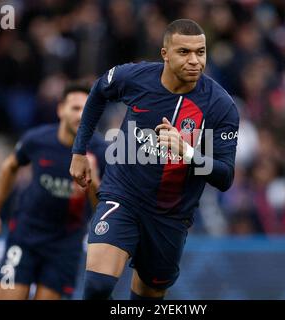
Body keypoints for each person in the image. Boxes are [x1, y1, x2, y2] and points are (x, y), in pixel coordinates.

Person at [70, 19, 239, 300]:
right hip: (123, 196)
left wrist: (188, 154)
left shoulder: (221, 106)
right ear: (165, 54)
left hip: (170, 217)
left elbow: (225, 176)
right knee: (97, 287)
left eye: (201, 52)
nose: (194, 60)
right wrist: (78, 151)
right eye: (184, 52)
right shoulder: (135, 78)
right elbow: (98, 91)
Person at [0, 82, 107, 300]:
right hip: (25, 236)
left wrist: (93, 182)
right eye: (75, 108)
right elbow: (9, 167)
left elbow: (101, 211)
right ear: (60, 110)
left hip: (65, 245)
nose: (81, 115)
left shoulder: (101, 152)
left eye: (87, 109)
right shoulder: (37, 140)